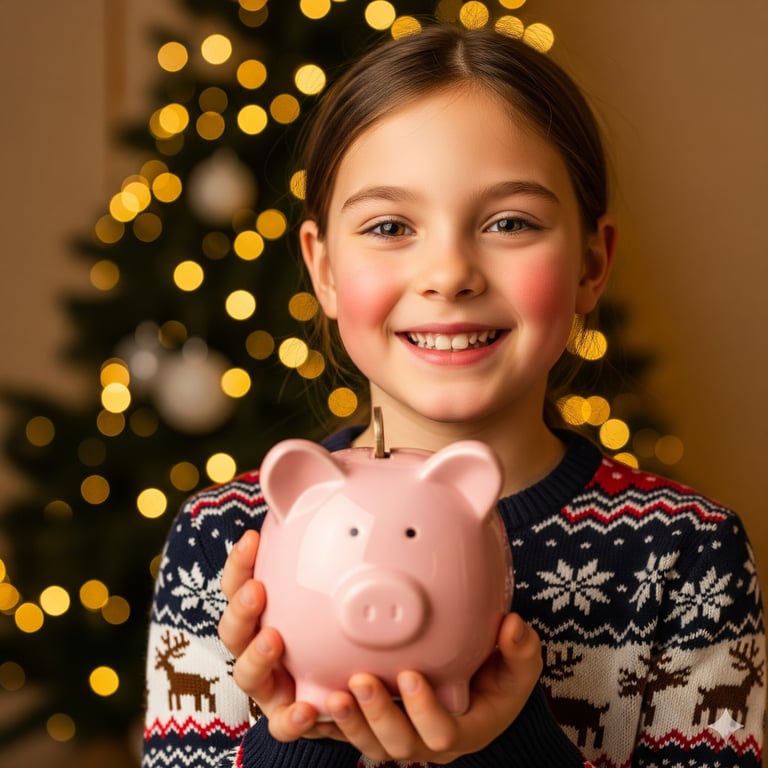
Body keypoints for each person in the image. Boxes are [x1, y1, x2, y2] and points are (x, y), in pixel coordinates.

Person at [142, 24, 765, 768]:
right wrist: (302, 731)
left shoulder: (684, 550)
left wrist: (510, 744)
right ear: (325, 270)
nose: (449, 273)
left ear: (592, 264)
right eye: (389, 226)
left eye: (510, 223)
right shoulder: (226, 541)